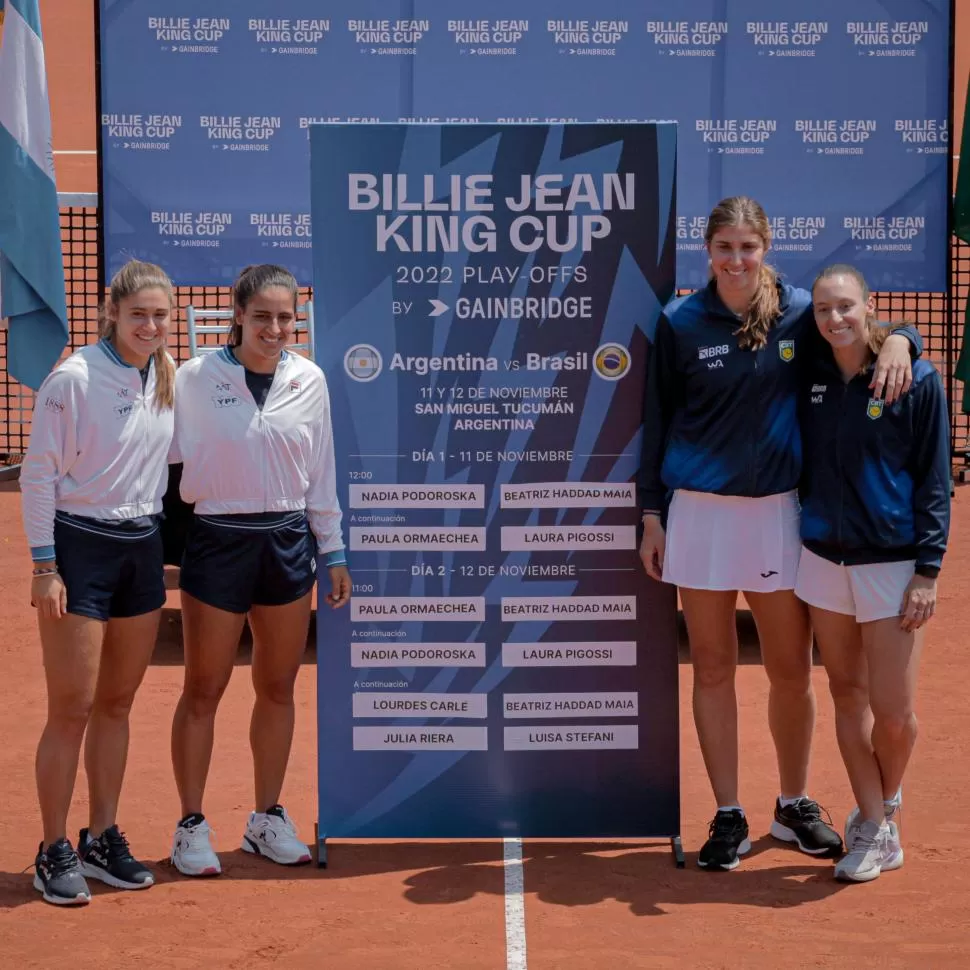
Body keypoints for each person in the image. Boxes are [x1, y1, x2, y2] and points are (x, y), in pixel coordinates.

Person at [637, 196, 923, 871]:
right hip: (700, 516)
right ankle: (728, 813)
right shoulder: (679, 322)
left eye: (748, 247)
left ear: (766, 249)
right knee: (712, 667)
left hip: (776, 514)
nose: (736, 260)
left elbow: (861, 327)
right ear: (707, 252)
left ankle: (793, 804)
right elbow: (657, 420)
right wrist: (652, 513)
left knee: (790, 669)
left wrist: (905, 336)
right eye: (725, 248)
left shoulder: (799, 310)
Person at [168, 264, 350, 876]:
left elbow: (321, 471)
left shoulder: (311, 379)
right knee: (204, 689)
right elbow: (155, 456)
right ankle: (190, 824)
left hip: (287, 542)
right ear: (237, 314)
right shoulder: (193, 379)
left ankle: (267, 817)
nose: (274, 329)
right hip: (218, 538)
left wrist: (334, 549)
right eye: (263, 316)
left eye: (285, 317)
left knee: (277, 687)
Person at [20, 260, 176, 904]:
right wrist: (44, 566)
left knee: (117, 704)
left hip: (143, 546)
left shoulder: (166, 374)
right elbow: (37, 476)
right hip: (80, 549)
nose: (150, 325)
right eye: (138, 313)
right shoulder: (72, 379)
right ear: (111, 311)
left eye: (160, 315)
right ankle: (52, 847)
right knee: (73, 708)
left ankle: (101, 835)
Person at [795, 264, 950, 882]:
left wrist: (928, 571)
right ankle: (875, 821)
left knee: (893, 713)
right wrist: (901, 333)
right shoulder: (803, 369)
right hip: (821, 560)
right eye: (824, 310)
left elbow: (937, 483)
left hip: (892, 562)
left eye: (847, 308)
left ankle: (884, 807)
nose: (835, 319)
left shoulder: (917, 379)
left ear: (869, 306)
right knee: (846, 694)